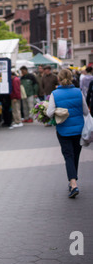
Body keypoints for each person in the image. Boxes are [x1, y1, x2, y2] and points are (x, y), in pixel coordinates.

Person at [46, 69, 89, 198]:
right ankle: (73, 181)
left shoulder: (55, 94)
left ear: (59, 78)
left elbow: (49, 113)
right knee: (75, 155)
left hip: (63, 130)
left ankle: (73, 183)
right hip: (79, 130)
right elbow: (86, 111)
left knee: (68, 156)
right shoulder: (78, 92)